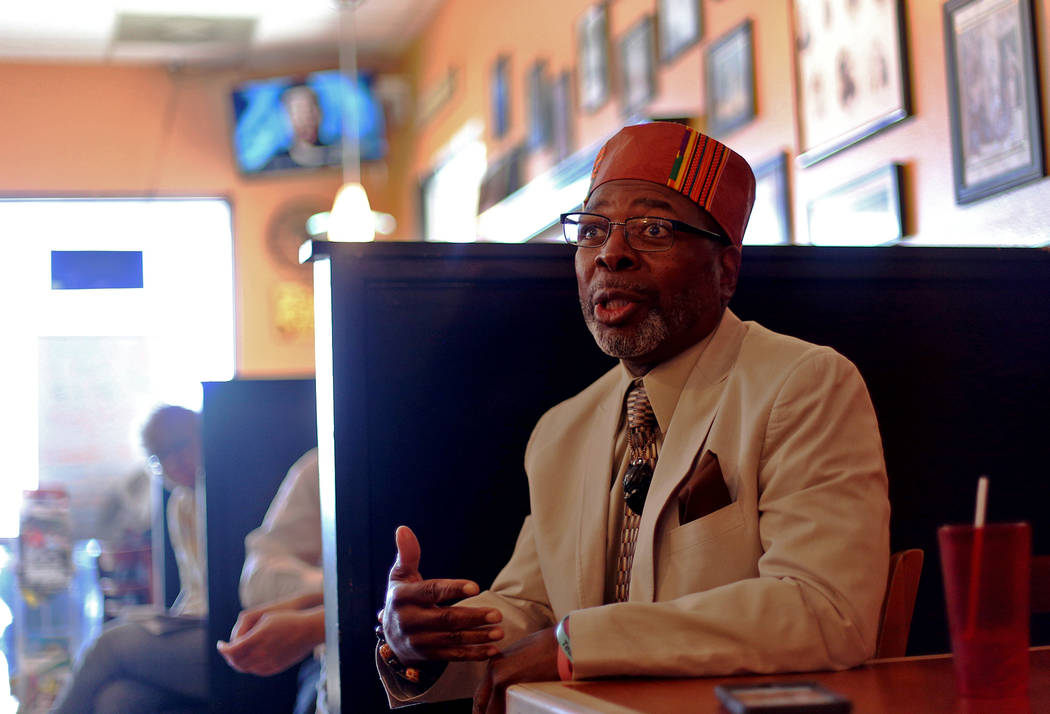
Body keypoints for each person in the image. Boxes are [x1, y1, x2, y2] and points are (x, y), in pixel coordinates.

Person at [376, 122, 891, 713]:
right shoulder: (562, 430)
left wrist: (579, 644)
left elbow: (824, 611)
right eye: (592, 230)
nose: (611, 254)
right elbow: (532, 611)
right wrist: (421, 640)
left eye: (653, 229)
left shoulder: (802, 384)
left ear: (726, 270)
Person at [53, 405, 209, 714]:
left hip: (225, 638)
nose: (172, 463)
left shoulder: (225, 493)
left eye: (179, 447)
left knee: (108, 645)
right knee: (118, 700)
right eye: (159, 457)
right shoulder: (180, 504)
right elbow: (194, 588)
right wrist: (168, 624)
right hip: (194, 628)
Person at [216, 449, 327, 714]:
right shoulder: (320, 466)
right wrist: (324, 598)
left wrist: (315, 621)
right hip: (329, 659)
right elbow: (257, 577)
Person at [263, 84, 341, 172]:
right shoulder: (275, 166)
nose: (306, 118)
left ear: (320, 113)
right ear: (287, 116)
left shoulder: (339, 158)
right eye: (299, 111)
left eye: (310, 109)